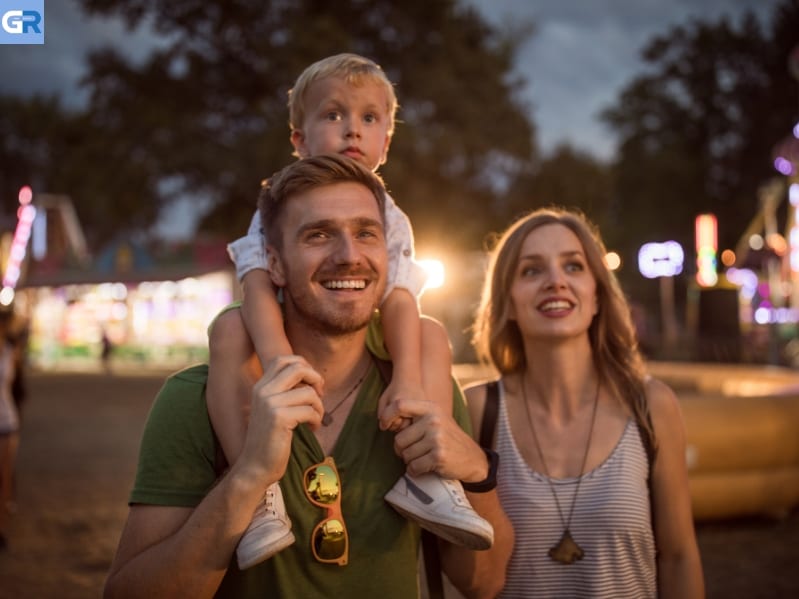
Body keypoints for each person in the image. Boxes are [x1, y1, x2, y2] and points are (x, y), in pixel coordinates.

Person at [103, 155, 514, 598]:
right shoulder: (194, 399)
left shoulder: (425, 393)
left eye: (365, 234)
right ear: (274, 265)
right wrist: (249, 476)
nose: (349, 255)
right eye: (319, 235)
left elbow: (484, 583)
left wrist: (475, 471)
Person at [208, 53, 491, 570]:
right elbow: (254, 285)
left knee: (429, 334)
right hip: (280, 331)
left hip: (364, 330)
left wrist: (405, 379)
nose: (352, 131)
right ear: (299, 139)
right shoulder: (279, 202)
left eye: (368, 118)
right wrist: (279, 364)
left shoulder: (391, 213)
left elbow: (402, 294)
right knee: (228, 328)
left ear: (387, 139)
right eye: (333, 115)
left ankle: (431, 478)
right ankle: (258, 495)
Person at [466, 207, 704, 598]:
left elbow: (679, 558)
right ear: (506, 302)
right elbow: (467, 575)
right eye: (531, 270)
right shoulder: (479, 410)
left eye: (573, 267)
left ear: (596, 295)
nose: (555, 281)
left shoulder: (651, 405)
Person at [0, 310, 20, 552]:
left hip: (7, 419)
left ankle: (2, 527)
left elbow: (16, 387)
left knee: (4, 476)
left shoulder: (10, 351)